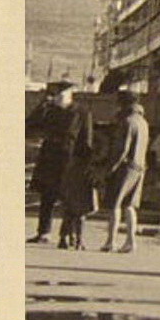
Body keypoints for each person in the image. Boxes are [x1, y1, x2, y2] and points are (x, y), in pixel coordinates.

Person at [25, 80, 78, 244]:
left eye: (61, 94)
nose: (58, 97)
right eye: (56, 95)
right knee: (47, 197)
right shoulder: (50, 111)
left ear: (69, 95)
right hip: (49, 159)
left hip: (68, 160)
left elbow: (84, 139)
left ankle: (67, 235)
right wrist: (42, 105)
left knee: (68, 199)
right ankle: (44, 232)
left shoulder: (79, 113)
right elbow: (29, 126)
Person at [102, 90, 151, 253]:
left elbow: (122, 149)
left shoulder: (127, 122)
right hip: (139, 167)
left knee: (115, 204)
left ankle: (110, 242)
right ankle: (131, 242)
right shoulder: (143, 122)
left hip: (125, 168)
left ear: (123, 104)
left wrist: (110, 168)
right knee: (129, 206)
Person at [57, 97, 99, 249]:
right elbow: (88, 143)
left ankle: (64, 237)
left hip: (69, 165)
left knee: (69, 206)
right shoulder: (85, 116)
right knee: (81, 208)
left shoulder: (65, 120)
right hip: (81, 166)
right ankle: (78, 240)